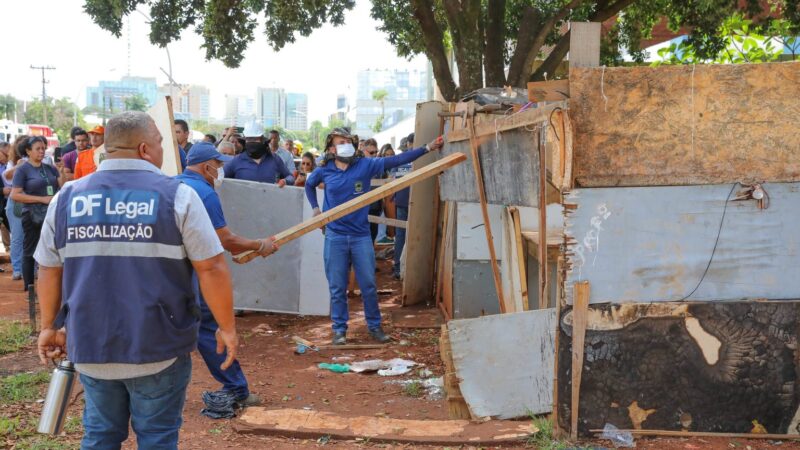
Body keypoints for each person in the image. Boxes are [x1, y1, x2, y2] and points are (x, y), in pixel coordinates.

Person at [34, 111, 239, 449]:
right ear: (145, 148)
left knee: (100, 435)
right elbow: (212, 267)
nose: (165, 150)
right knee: (157, 437)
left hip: (90, 344)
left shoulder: (66, 199)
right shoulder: (178, 196)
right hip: (158, 345)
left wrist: (47, 326)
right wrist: (226, 327)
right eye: (161, 143)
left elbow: (49, 268)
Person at [305, 128, 444, 345]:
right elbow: (309, 184)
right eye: (341, 142)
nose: (346, 144)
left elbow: (397, 160)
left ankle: (375, 327)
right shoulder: (325, 170)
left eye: (349, 141)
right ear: (332, 148)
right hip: (335, 236)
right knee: (337, 286)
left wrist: (427, 148)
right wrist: (315, 208)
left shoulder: (365, 165)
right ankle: (339, 330)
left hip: (361, 237)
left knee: (368, 284)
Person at [176, 142, 278, 407]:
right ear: (206, 166)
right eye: (218, 165)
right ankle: (237, 388)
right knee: (210, 327)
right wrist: (259, 245)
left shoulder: (173, 184)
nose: (220, 170)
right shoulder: (204, 193)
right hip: (195, 271)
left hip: (168, 272)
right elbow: (226, 239)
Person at [11, 136, 66, 291]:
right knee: (30, 250)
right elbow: (15, 194)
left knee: (53, 247)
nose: (42, 152)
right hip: (32, 215)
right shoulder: (22, 169)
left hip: (51, 214)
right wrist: (41, 199)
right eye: (38, 149)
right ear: (28, 151)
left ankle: (52, 285)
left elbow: (62, 187)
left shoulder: (49, 167)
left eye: (43, 148)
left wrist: (61, 171)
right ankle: (29, 287)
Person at [224, 122, 294, 186]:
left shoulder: (275, 159)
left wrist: (285, 181)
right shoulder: (236, 161)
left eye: (255, 139)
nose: (252, 142)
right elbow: (219, 176)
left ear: (262, 140)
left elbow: (290, 177)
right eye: (249, 139)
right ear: (245, 141)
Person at [390, 133, 416, 280]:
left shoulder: (400, 159)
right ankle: (410, 270)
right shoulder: (420, 157)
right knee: (414, 234)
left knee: (400, 235)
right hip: (416, 202)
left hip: (400, 201)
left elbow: (393, 179)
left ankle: (398, 268)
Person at [4, 136, 28, 280]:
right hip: (16, 203)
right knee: (17, 237)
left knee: (32, 237)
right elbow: (6, 176)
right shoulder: (13, 163)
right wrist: (19, 165)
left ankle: (33, 268)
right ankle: (17, 269)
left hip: (33, 202)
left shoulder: (42, 160)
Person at [0, 143, 10, 253]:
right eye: (5, 155)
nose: (7, 158)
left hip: (5, 203)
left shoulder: (9, 165)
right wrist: (2, 191)